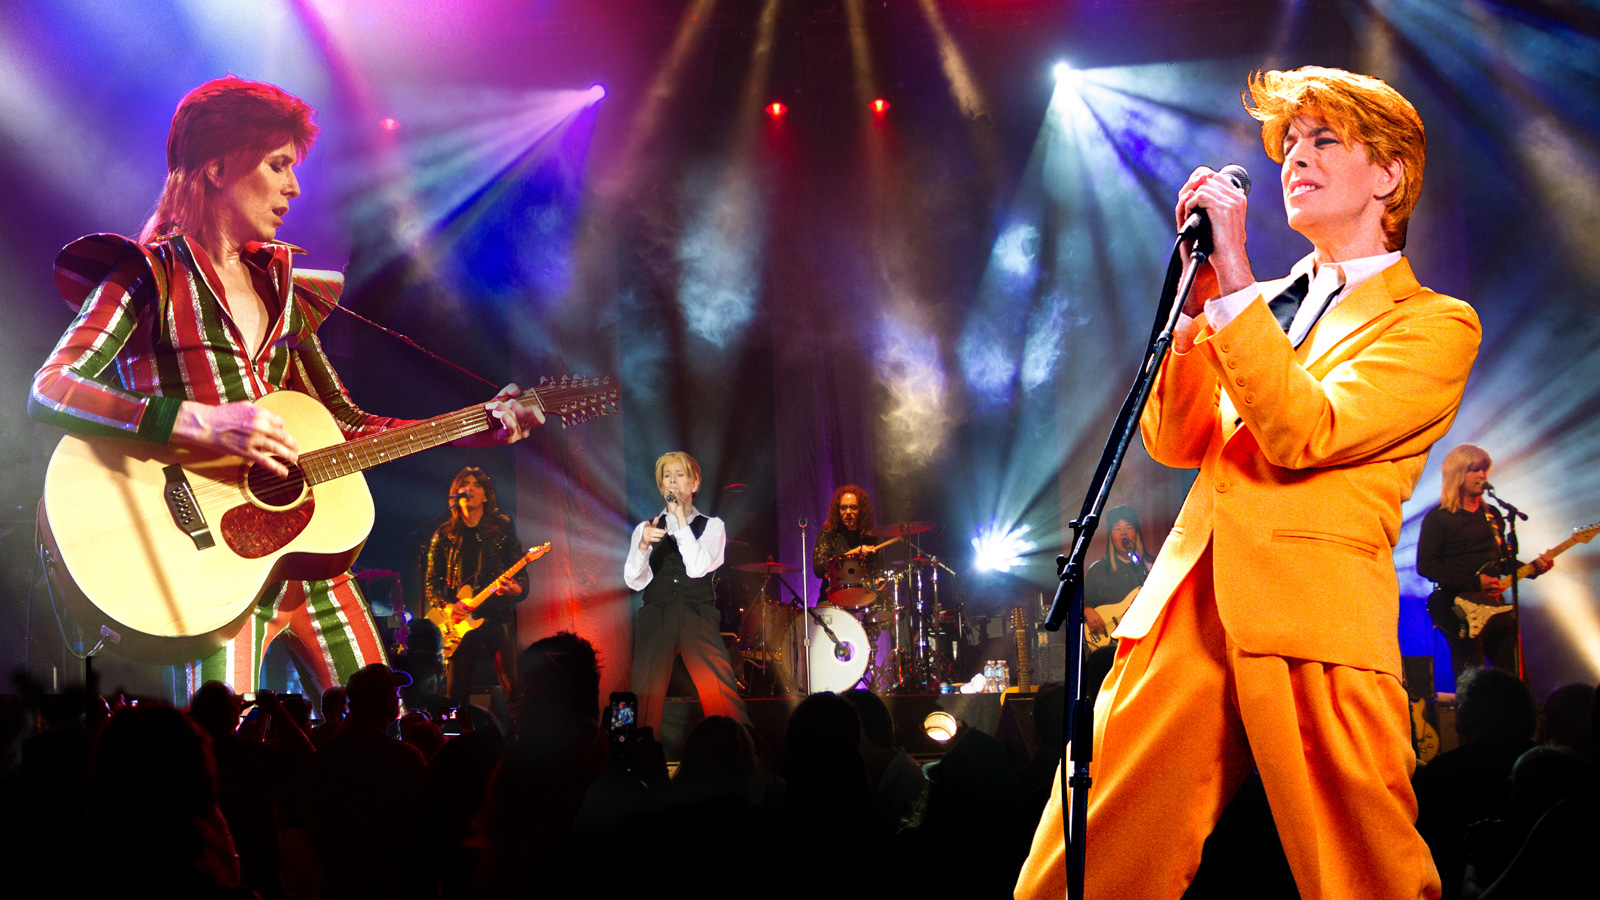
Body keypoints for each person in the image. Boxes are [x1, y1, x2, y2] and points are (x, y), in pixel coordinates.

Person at [1018, 66, 1482, 899]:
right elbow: (1175, 437)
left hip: (1317, 619)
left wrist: (1233, 291)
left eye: (1324, 140)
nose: (1294, 159)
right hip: (1188, 607)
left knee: (1364, 876)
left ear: (1389, 175)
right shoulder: (1254, 300)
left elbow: (1307, 431)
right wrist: (1196, 311)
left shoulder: (1433, 324)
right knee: (1084, 866)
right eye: (1290, 144)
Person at [28, 77, 542, 699]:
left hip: (312, 563)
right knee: (225, 756)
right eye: (278, 166)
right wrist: (197, 422)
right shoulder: (149, 275)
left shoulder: (284, 291)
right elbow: (53, 386)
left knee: (385, 735)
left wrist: (470, 425)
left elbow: (347, 426)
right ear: (218, 167)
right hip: (213, 577)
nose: (294, 187)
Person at [623, 451, 749, 735]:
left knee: (720, 689)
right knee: (643, 694)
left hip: (697, 613)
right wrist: (642, 546)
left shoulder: (713, 526)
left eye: (679, 475)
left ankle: (741, 752)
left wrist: (680, 523)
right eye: (667, 476)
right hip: (657, 613)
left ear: (694, 484)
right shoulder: (647, 528)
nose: (672, 481)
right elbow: (634, 580)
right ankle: (632, 761)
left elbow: (698, 568)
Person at [1417, 444, 1552, 681]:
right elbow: (1426, 565)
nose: (1482, 475)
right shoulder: (1439, 517)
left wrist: (1534, 569)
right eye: (1475, 470)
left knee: (1517, 680)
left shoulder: (1493, 516)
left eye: (1484, 469)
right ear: (1458, 474)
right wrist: (1474, 583)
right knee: (1473, 678)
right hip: (1456, 606)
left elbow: (1503, 562)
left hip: (1496, 608)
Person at [424, 467, 529, 706]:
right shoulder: (443, 535)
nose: (469, 489)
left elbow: (519, 570)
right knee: (454, 695)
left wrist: (517, 588)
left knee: (514, 688)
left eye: (476, 485)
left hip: (497, 617)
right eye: (464, 484)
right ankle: (461, 738)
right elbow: (432, 582)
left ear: (485, 496)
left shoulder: (502, 527)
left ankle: (515, 739)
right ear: (455, 493)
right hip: (460, 623)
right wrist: (447, 607)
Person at [812, 484, 880, 595]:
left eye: (853, 507)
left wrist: (876, 590)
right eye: (843, 507)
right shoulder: (829, 532)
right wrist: (854, 553)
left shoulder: (871, 536)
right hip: (832, 599)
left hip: (863, 599)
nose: (848, 512)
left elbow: (880, 572)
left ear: (861, 510)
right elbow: (819, 568)